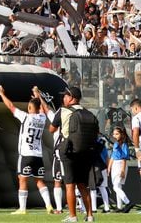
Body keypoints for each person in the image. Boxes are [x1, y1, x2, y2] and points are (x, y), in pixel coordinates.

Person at [0, 85, 53, 215]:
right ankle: (49, 206)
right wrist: (37, 95)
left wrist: (2, 94)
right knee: (39, 181)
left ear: (29, 108)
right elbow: (44, 109)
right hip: (38, 155)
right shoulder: (42, 118)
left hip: (26, 154)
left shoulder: (26, 117)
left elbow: (10, 106)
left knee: (22, 179)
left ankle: (22, 209)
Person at [48, 87, 99, 223]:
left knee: (70, 184)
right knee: (83, 185)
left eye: (65, 96)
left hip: (68, 151)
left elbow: (51, 129)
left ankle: (73, 216)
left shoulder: (63, 110)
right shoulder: (88, 113)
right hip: (85, 152)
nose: (63, 98)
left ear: (72, 98)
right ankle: (89, 216)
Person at [108, 126, 133, 212]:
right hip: (115, 165)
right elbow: (112, 156)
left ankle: (128, 202)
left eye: (117, 134)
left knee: (116, 187)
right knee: (118, 186)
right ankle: (119, 207)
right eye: (114, 134)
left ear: (122, 134)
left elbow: (124, 158)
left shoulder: (124, 144)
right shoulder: (115, 144)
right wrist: (109, 167)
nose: (115, 135)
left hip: (120, 165)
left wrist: (122, 170)